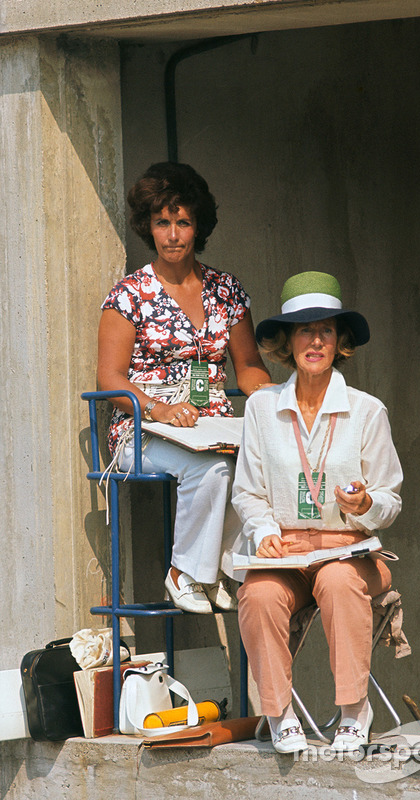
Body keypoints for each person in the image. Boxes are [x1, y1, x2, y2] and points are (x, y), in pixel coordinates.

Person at [231, 271, 403, 753]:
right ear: (287, 341)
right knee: (259, 594)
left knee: (338, 582)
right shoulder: (263, 408)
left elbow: (391, 499)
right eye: (303, 330)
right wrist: (263, 529)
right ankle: (280, 714)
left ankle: (353, 710)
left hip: (349, 556)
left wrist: (365, 504)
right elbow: (248, 491)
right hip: (285, 557)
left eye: (325, 329)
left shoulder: (367, 411)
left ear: (339, 340)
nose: (314, 340)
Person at [97, 162, 271, 614]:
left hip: (212, 425)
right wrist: (157, 409)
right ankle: (184, 572)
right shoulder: (130, 295)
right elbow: (109, 378)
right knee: (212, 470)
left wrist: (272, 400)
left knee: (259, 456)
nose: (173, 234)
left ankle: (219, 569)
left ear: (198, 227)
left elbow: (249, 366)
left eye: (183, 222)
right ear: (148, 227)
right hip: (144, 431)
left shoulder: (225, 290)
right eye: (162, 223)